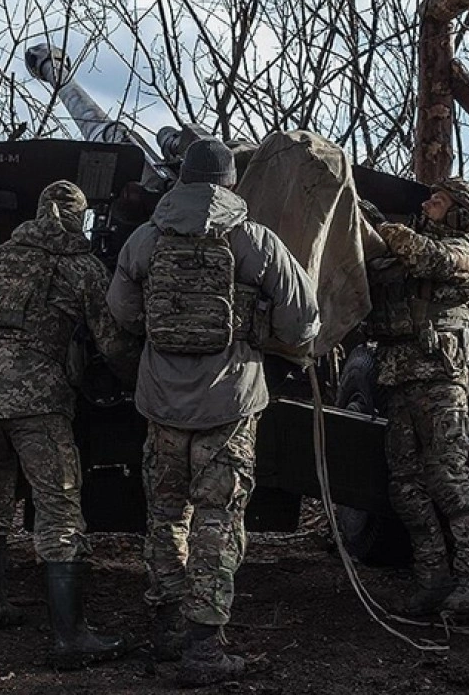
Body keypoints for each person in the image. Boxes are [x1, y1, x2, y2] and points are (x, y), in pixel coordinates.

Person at [106, 137, 320, 685]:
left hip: (160, 401)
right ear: (230, 182)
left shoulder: (146, 238)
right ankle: (204, 644)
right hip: (229, 402)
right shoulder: (254, 240)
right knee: (217, 520)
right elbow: (302, 320)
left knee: (164, 515)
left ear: (181, 178)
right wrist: (263, 335)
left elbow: (122, 313)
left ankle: (166, 626)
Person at [0, 180, 140, 668]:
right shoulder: (81, 267)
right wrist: (141, 381)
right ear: (80, 217)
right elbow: (111, 340)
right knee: (59, 508)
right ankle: (69, 637)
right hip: (35, 399)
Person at [363, 177, 469, 613]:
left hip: (440, 381)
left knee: (449, 482)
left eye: (441, 200)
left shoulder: (466, 252)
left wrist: (384, 226)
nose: (429, 202)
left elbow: (427, 257)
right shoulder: (406, 247)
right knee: (405, 486)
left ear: (461, 213)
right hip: (399, 379)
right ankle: (432, 578)